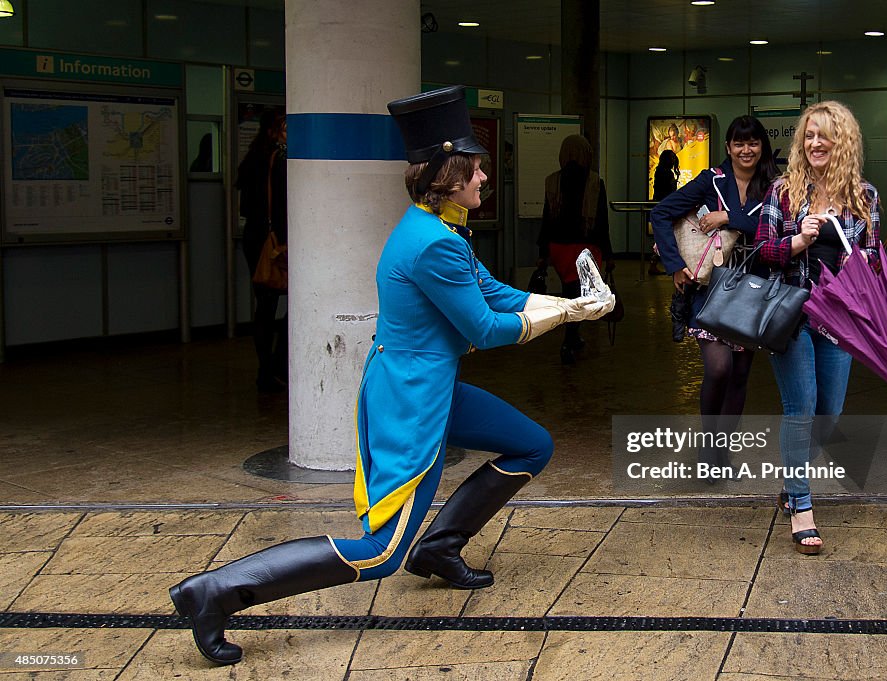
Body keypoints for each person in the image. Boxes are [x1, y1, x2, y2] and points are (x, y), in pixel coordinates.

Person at [169, 85, 613, 666]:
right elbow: (484, 327)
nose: (484, 177)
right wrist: (565, 312)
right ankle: (215, 593)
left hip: (430, 384)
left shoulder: (441, 228)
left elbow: (492, 291)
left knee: (532, 445)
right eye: (475, 168)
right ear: (449, 176)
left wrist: (567, 299)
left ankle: (440, 547)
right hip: (412, 400)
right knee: (378, 553)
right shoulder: (432, 243)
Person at [755, 101, 881, 554]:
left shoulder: (864, 197)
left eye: (823, 135)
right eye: (808, 136)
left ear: (841, 141)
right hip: (792, 317)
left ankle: (792, 481)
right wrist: (796, 241)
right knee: (801, 408)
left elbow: (876, 260)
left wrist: (859, 262)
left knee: (828, 415)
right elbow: (762, 251)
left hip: (839, 321)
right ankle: (802, 507)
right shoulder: (784, 193)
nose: (814, 144)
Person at [651, 115, 779, 475]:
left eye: (753, 142)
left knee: (740, 374)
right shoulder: (711, 180)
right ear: (728, 147)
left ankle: (720, 453)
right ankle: (709, 445)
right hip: (710, 291)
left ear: (761, 146)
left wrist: (728, 219)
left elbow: (779, 229)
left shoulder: (772, 186)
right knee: (719, 369)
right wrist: (675, 265)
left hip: (752, 292)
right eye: (739, 143)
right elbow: (661, 213)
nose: (746, 150)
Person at [537, 134, 615, 365]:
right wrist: (609, 255)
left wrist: (543, 255)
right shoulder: (594, 181)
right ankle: (569, 340)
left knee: (569, 292)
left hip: (559, 249)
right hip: (585, 249)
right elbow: (602, 223)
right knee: (579, 296)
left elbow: (546, 220)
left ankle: (574, 337)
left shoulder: (552, 181)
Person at [237, 112, 288, 392]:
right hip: (277, 240)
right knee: (295, 304)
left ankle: (265, 369)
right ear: (272, 132)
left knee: (265, 305)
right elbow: (282, 206)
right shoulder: (279, 161)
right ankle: (278, 365)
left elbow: (246, 207)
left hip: (256, 237)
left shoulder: (252, 160)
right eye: (285, 129)